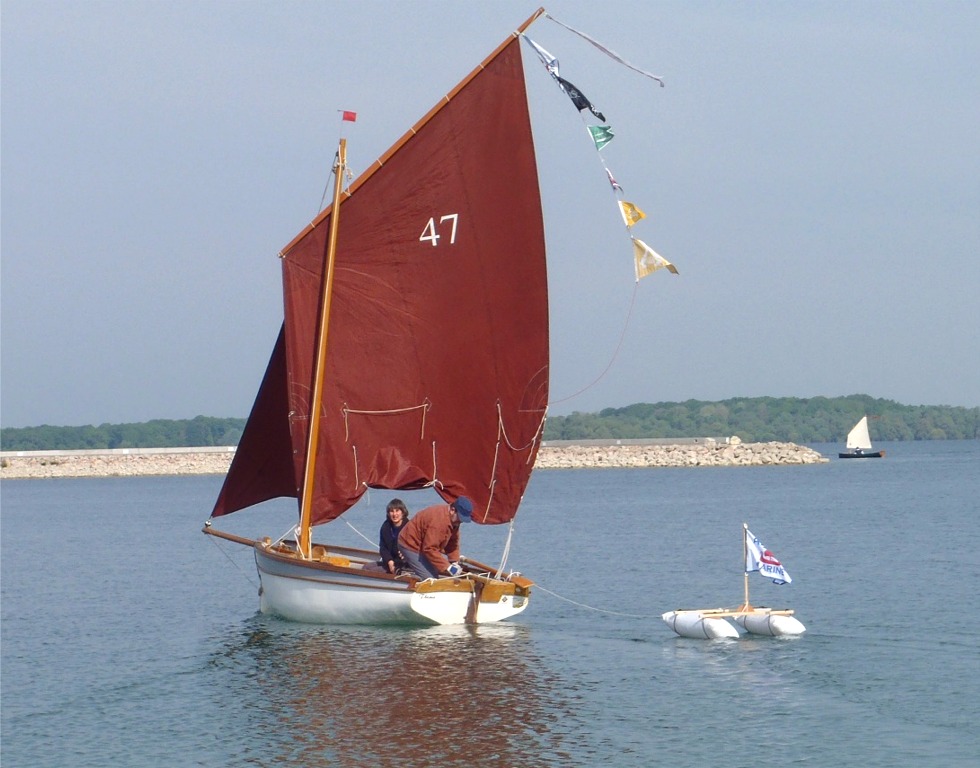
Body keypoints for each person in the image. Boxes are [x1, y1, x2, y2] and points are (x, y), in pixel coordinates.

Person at [397, 496, 473, 579]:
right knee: (430, 578)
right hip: (409, 544)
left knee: (435, 569)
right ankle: (411, 577)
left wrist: (454, 561)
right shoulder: (438, 523)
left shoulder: (454, 521)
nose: (460, 521)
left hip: (424, 544)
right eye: (460, 518)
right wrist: (448, 567)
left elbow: (453, 543)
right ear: (452, 510)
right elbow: (429, 549)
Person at [378, 498, 410, 574]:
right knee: (367, 567)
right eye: (392, 511)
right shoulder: (386, 526)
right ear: (388, 514)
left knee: (370, 569)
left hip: (405, 564)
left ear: (403, 512)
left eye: (397, 511)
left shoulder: (408, 527)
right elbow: (383, 548)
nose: (394, 514)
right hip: (390, 561)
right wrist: (390, 561)